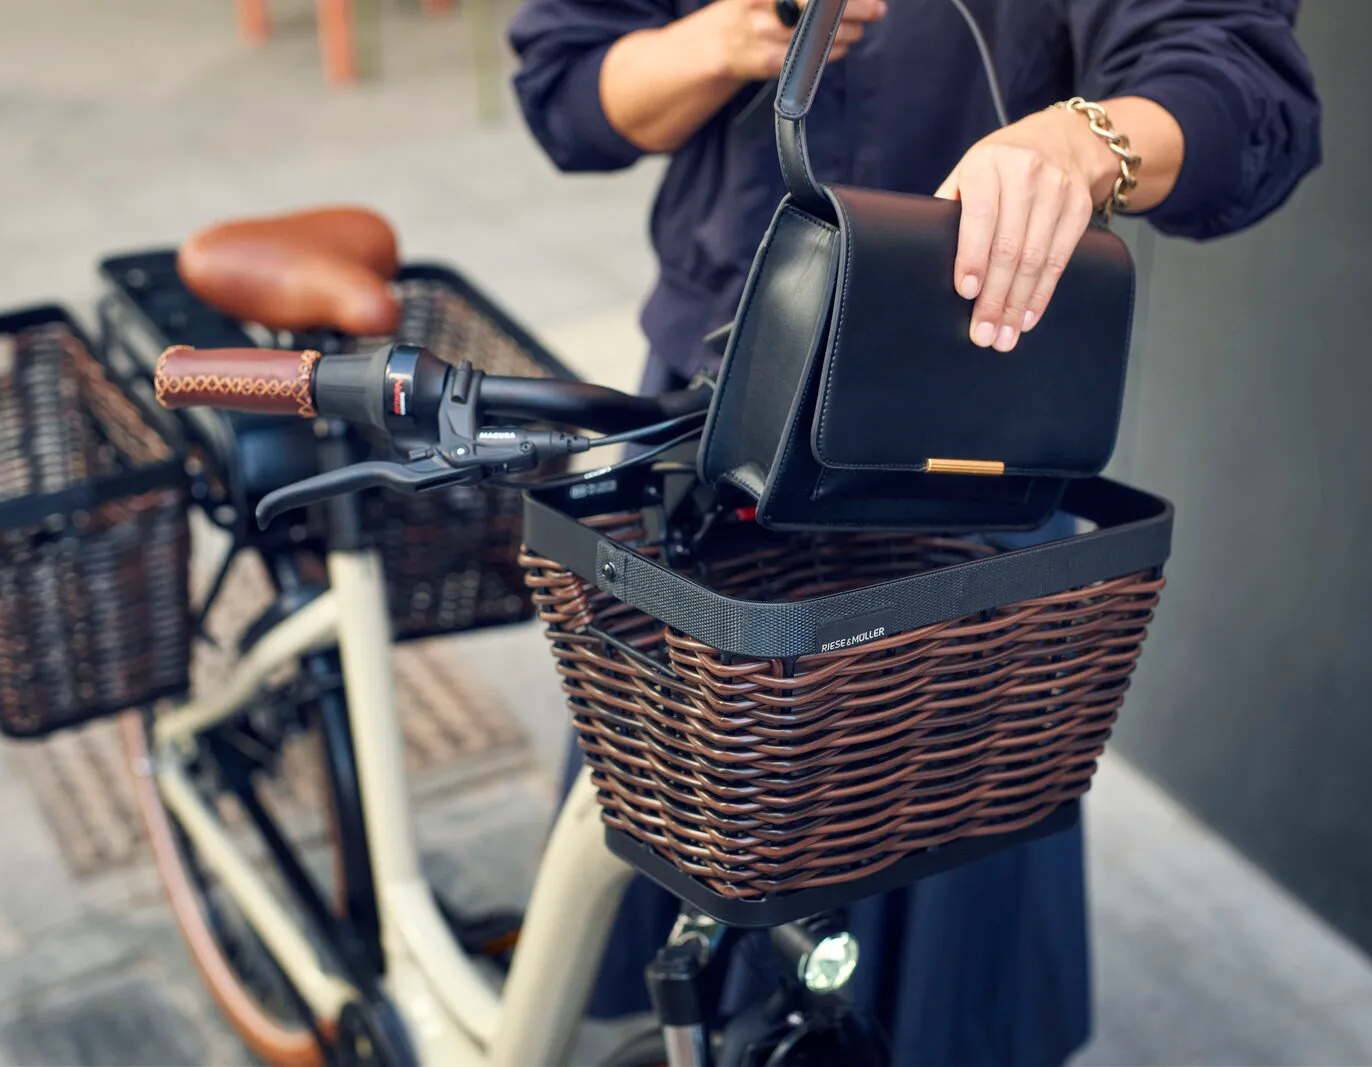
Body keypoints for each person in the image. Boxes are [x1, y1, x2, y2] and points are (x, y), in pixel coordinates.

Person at [508, 1, 1320, 1063]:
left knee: (946, 841)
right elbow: (568, 96)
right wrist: (721, 41)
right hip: (714, 409)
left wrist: (1082, 142)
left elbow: (1238, 84)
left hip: (968, 447)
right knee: (678, 815)